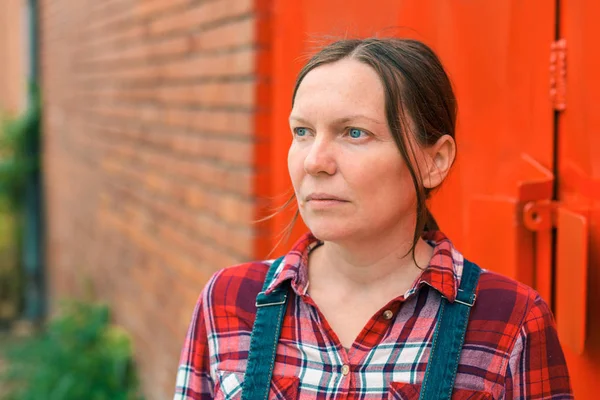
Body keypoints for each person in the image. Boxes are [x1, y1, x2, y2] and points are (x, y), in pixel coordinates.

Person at [173, 38, 573, 400]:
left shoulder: (511, 322)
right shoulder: (229, 300)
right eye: (303, 131)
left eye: (354, 133)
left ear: (434, 161)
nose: (315, 162)